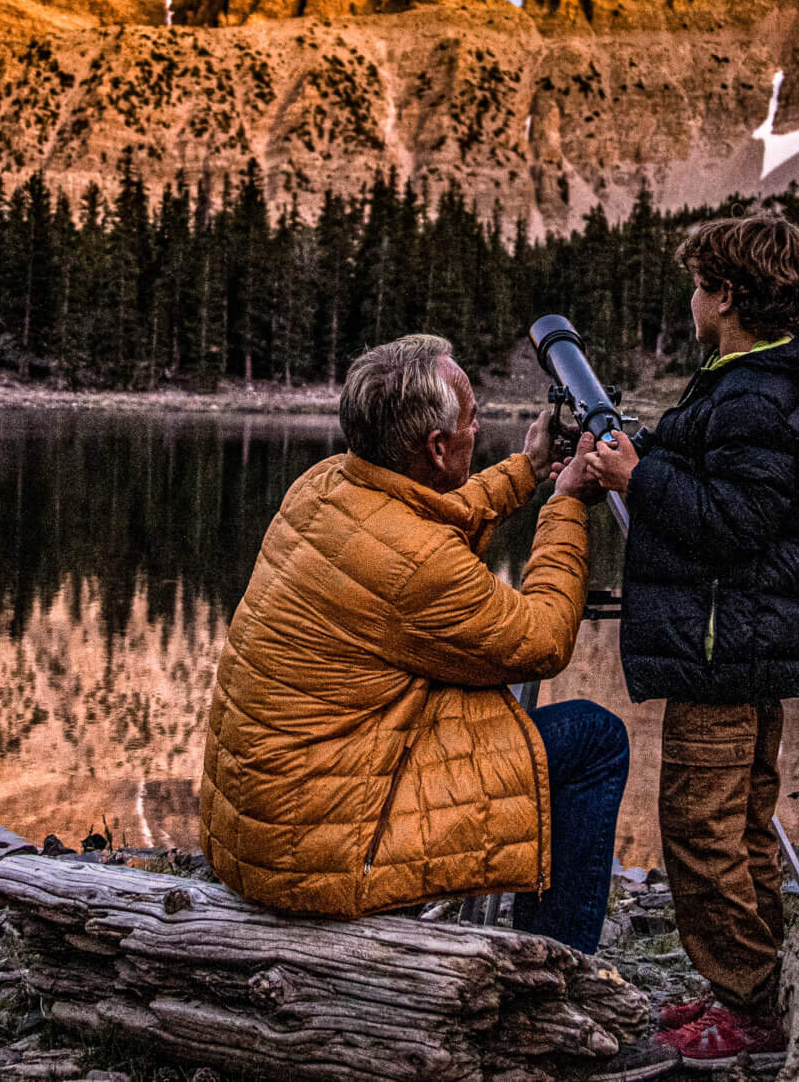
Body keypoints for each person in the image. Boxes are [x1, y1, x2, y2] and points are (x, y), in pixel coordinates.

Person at [199, 333, 679, 1081]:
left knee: (492, 712)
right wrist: (563, 506)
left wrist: (523, 470)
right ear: (432, 444)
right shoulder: (416, 564)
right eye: (468, 422)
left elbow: (428, 518)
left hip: (265, 818)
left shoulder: (328, 485)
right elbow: (542, 638)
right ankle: (558, 1000)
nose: (476, 426)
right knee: (591, 740)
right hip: (320, 839)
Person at [587, 215, 799, 1070]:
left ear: (727, 297)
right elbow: (724, 478)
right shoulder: (750, 385)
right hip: (745, 649)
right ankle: (751, 987)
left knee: (701, 831)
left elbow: (734, 520)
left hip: (722, 652)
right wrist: (656, 448)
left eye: (700, 286)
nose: (693, 299)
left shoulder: (746, 394)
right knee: (740, 826)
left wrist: (637, 475)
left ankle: (746, 1012)